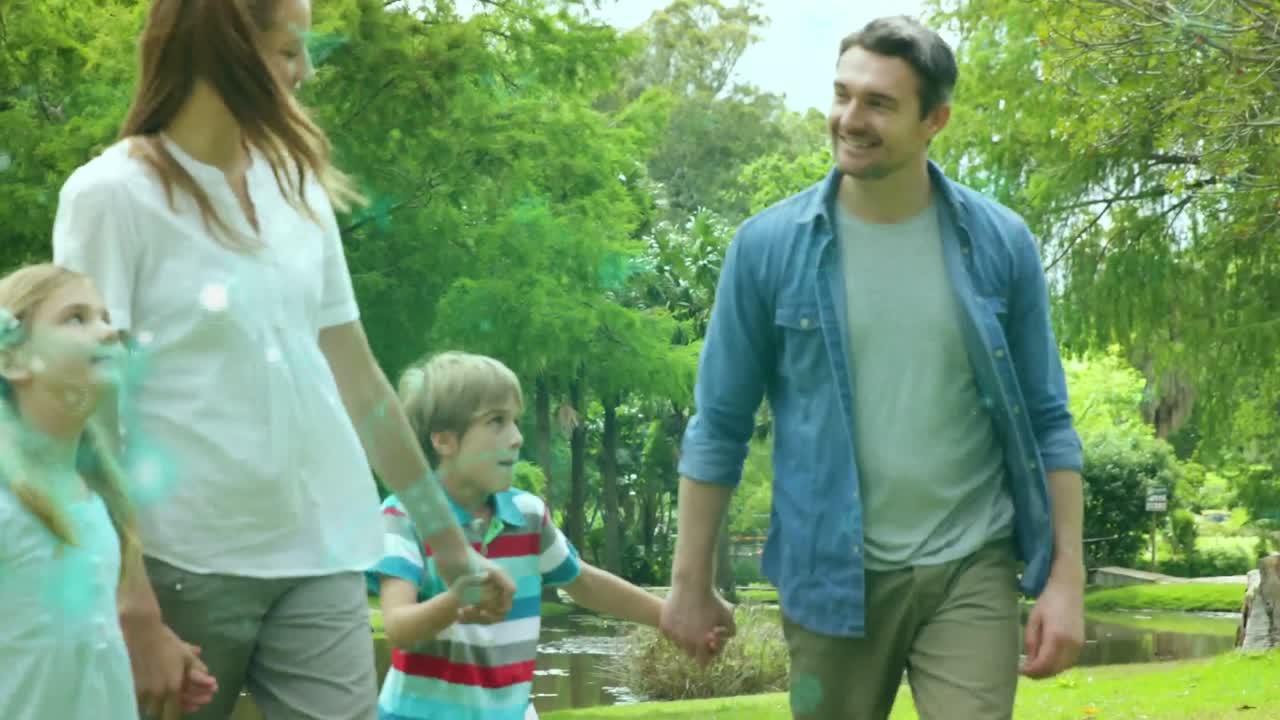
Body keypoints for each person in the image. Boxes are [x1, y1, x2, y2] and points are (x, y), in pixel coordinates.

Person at [51, 1, 513, 718]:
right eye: (287, 51)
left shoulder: (297, 186)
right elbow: (88, 415)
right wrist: (130, 598)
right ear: (225, 50)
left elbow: (360, 382)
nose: (304, 72)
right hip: (181, 565)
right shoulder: (110, 198)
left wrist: (449, 548)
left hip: (319, 552)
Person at [659, 15, 1086, 720]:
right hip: (828, 576)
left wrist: (1065, 579)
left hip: (971, 564)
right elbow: (720, 426)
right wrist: (689, 581)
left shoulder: (1001, 244)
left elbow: (1048, 421)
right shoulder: (765, 249)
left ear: (934, 120)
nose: (849, 119)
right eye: (842, 95)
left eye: (879, 103)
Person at [369, 351, 682, 720]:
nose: (517, 437)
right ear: (444, 440)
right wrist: (457, 599)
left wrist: (670, 616)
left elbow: (584, 583)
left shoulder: (529, 515)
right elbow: (398, 626)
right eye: (496, 421)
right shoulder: (403, 515)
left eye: (515, 421)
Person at [0, 264, 216, 719]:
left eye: (104, 317)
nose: (106, 331)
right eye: (76, 318)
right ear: (11, 360)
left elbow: (74, 640)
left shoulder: (97, 500)